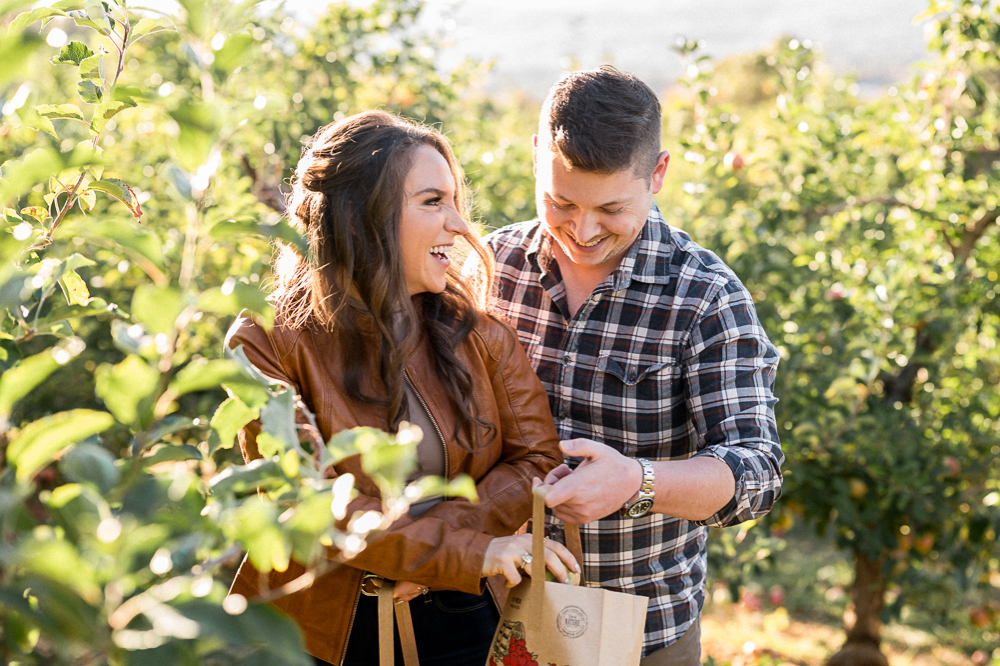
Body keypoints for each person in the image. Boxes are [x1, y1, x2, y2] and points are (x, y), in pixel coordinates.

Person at [227, 110, 577, 666]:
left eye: (455, 202)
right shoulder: (267, 341)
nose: (460, 226)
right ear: (363, 216)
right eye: (433, 202)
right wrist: (461, 550)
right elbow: (305, 498)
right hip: (319, 635)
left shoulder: (477, 334)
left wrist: (437, 556)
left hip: (464, 621)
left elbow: (537, 460)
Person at [485, 66, 784, 665]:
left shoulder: (704, 297)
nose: (583, 229)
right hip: (490, 614)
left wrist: (635, 482)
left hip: (640, 633)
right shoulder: (492, 268)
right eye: (560, 201)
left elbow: (756, 472)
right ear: (536, 155)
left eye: (612, 209)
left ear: (659, 175)